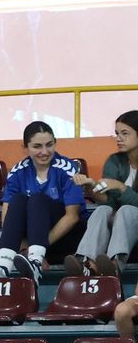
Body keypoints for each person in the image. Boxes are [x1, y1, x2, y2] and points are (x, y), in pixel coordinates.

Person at [0, 119, 86, 284]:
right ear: (25, 148)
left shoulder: (67, 168)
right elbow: (8, 213)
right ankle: (3, 267)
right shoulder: (17, 171)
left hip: (67, 237)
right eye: (37, 146)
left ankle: (35, 262)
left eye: (49, 145)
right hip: (33, 242)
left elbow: (72, 217)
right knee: (20, 200)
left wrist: (35, 249)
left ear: (55, 143)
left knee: (37, 199)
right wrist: (23, 248)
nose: (44, 151)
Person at [68, 110, 138, 276]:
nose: (118, 138)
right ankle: (87, 263)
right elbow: (109, 204)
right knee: (102, 210)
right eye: (116, 133)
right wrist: (93, 187)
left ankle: (115, 264)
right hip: (120, 220)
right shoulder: (114, 161)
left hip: (130, 218)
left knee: (126, 211)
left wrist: (121, 187)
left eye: (125, 133)